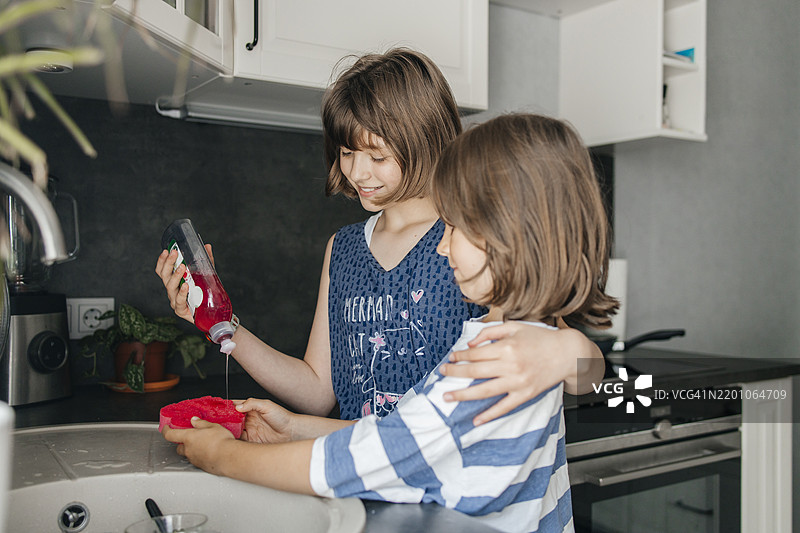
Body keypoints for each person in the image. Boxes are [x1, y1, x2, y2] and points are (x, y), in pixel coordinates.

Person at [163, 113, 618, 533]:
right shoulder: (484, 342)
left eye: (377, 155)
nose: (442, 245)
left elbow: (360, 460)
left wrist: (224, 456)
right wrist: (295, 426)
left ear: (512, 236)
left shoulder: (495, 362)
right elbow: (407, 439)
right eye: (347, 153)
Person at [155, 48, 605, 426]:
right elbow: (318, 392)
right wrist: (221, 325)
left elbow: (588, 374)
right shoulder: (343, 249)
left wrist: (567, 355)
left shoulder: (474, 239)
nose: (357, 172)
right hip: (361, 483)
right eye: (346, 152)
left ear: (425, 141)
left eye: (377, 156)